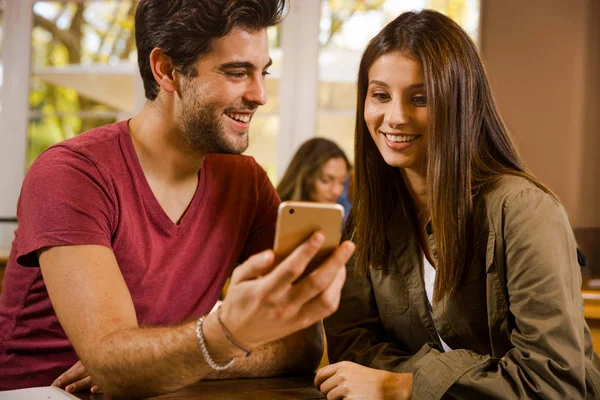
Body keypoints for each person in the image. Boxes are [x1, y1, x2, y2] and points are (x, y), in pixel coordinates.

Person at [0, 0, 355, 397]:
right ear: (166, 70)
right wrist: (224, 337)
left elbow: (302, 345)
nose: (260, 95)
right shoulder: (72, 172)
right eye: (237, 72)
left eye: (263, 73)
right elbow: (112, 364)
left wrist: (196, 356)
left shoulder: (247, 182)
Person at [315, 9, 600, 400]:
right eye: (380, 95)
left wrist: (403, 384)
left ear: (460, 105)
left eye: (421, 98)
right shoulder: (366, 217)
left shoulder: (525, 212)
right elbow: (352, 354)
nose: (395, 117)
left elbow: (553, 384)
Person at [276, 137, 350, 204]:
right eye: (326, 180)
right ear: (305, 177)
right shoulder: (276, 212)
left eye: (342, 182)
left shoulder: (342, 211)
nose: (336, 191)